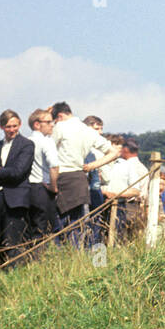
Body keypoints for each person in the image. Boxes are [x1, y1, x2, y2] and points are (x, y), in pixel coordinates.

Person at [49, 103, 118, 246]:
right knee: (75, 224)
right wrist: (93, 166)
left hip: (61, 177)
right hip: (80, 178)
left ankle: (60, 259)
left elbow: (48, 151)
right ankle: (74, 258)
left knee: (58, 224)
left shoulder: (60, 127)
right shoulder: (88, 131)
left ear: (59, 116)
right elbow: (114, 152)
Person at [0, 110, 35, 264]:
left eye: (15, 126)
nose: (12, 130)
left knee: (14, 241)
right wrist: (5, 174)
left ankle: (16, 274)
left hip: (16, 199)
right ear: (1, 127)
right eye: (8, 127)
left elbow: (18, 173)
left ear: (19, 125)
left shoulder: (27, 145)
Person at [26, 108, 60, 247]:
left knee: (32, 229)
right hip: (43, 188)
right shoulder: (47, 141)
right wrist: (53, 187)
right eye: (48, 122)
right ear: (37, 124)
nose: (52, 124)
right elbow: (54, 166)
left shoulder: (25, 141)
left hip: (28, 189)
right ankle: (40, 261)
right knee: (46, 230)